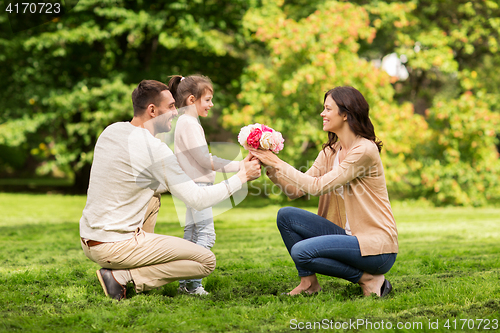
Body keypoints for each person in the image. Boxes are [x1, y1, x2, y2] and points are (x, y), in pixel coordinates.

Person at [79, 80, 261, 300]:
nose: (177, 111)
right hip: (116, 246)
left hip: (89, 239)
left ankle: (126, 265)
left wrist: (237, 165)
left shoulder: (112, 130)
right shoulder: (154, 148)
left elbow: (156, 181)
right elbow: (198, 199)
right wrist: (242, 177)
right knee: (205, 261)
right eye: (172, 106)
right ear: (152, 110)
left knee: (154, 198)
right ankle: (124, 276)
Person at [250, 86, 398, 297]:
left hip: (376, 247)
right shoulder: (331, 151)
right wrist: (269, 166)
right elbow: (295, 190)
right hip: (347, 237)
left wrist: (277, 161)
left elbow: (317, 187)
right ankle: (309, 284)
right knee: (286, 216)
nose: (322, 113)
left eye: (328, 109)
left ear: (345, 114)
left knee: (301, 252)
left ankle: (368, 278)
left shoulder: (364, 150)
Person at [167, 75, 240, 295]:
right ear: (192, 99)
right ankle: (194, 284)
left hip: (191, 185)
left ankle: (183, 285)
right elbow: (203, 159)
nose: (211, 104)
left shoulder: (186, 122)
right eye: (207, 100)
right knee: (206, 236)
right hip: (198, 188)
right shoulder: (188, 123)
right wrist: (239, 166)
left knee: (191, 236)